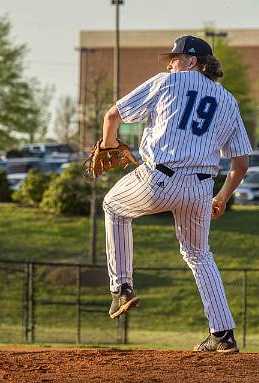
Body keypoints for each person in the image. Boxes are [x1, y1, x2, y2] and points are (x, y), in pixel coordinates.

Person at [100, 35, 251, 353]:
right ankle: (222, 334)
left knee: (113, 206)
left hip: (159, 179)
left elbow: (112, 116)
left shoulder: (167, 83)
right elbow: (240, 162)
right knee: (199, 255)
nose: (170, 62)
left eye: (176, 57)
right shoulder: (227, 100)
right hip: (200, 188)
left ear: (192, 61)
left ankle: (122, 289)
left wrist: (108, 145)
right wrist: (221, 197)